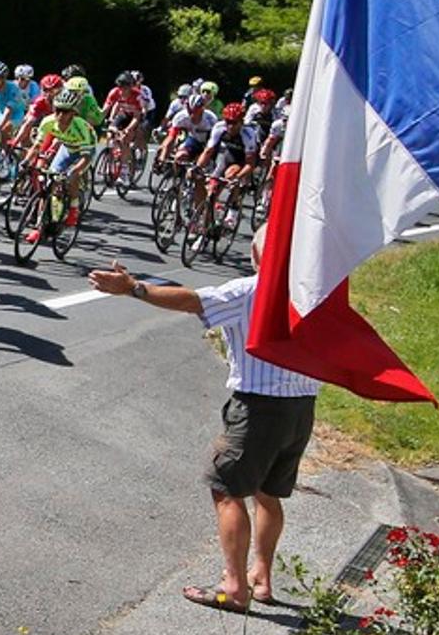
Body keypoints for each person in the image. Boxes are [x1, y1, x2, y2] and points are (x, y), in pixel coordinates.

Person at [87, 260, 320, 611]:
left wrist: (134, 287)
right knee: (268, 493)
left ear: (260, 255)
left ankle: (235, 587)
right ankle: (262, 576)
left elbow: (193, 300)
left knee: (227, 491)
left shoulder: (251, 290)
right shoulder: (313, 292)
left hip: (259, 407)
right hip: (302, 406)